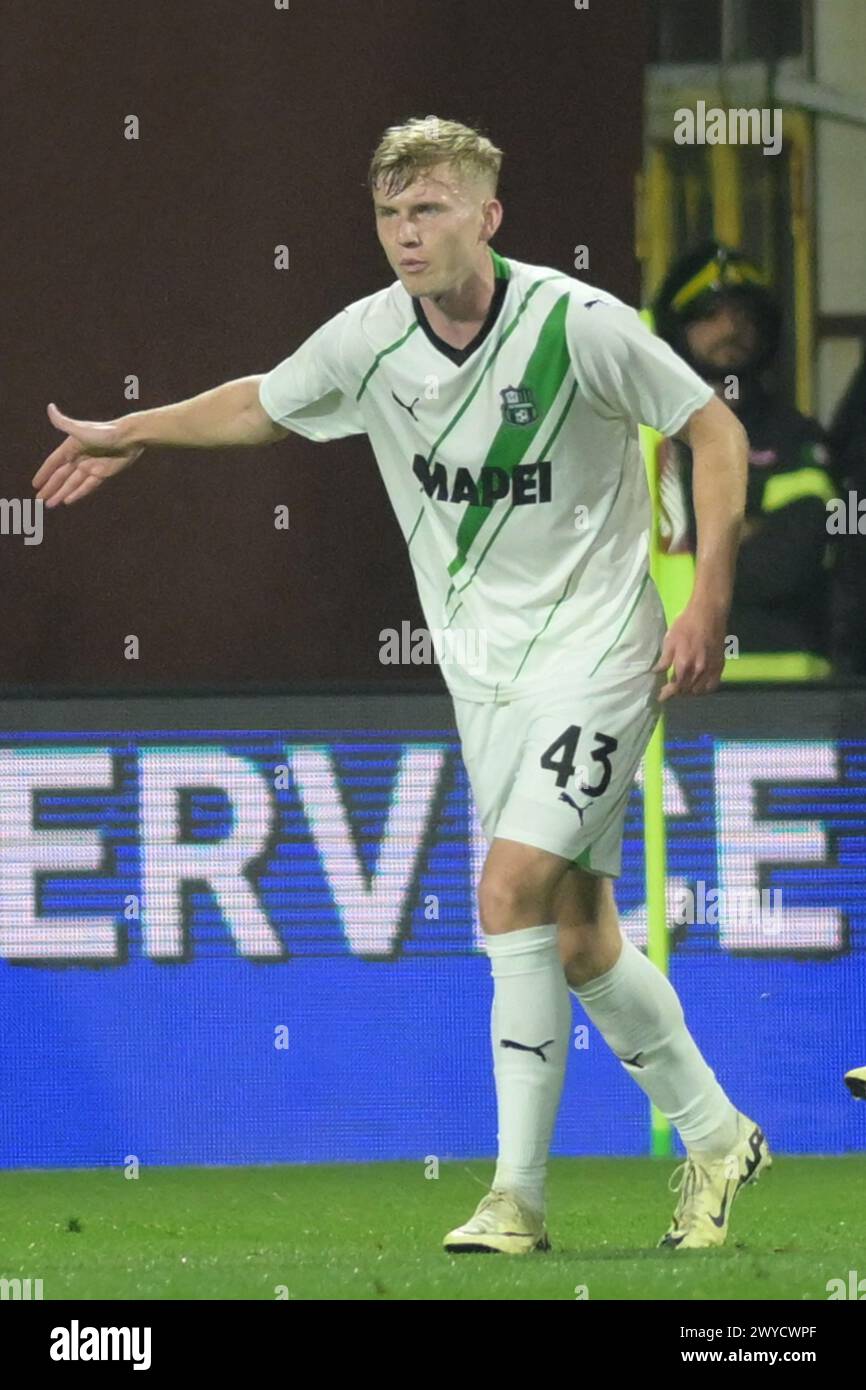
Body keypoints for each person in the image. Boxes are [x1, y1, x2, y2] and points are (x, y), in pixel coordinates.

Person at [32, 116, 770, 1254]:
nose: (403, 233)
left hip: (598, 654)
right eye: (388, 212)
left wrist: (705, 599)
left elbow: (709, 430)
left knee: (507, 890)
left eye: (427, 208)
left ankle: (514, 1198)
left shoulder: (576, 326)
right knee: (577, 937)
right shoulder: (373, 340)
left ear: (488, 214)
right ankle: (718, 1137)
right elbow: (262, 400)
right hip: (485, 680)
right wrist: (141, 430)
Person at [650, 242, 836, 679]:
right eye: (711, 314)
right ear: (677, 327)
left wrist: (699, 543)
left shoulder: (795, 436)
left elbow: (789, 564)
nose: (731, 328)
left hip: (784, 690)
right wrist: (741, 529)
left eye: (744, 316)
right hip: (663, 682)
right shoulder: (642, 434)